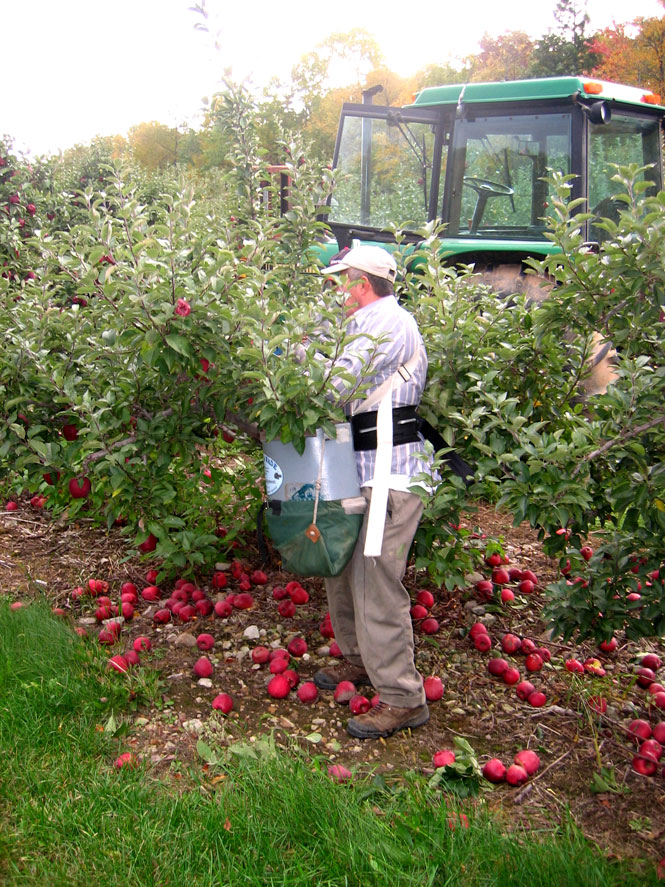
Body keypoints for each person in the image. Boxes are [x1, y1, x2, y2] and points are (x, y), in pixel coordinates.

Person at [311, 245, 435, 739]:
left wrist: (289, 356)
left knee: (376, 579)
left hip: (390, 471)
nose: (335, 291)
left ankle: (404, 698)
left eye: (340, 281)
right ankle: (361, 660)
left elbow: (333, 385)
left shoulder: (389, 322)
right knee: (341, 567)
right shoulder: (361, 324)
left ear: (361, 283)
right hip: (356, 466)